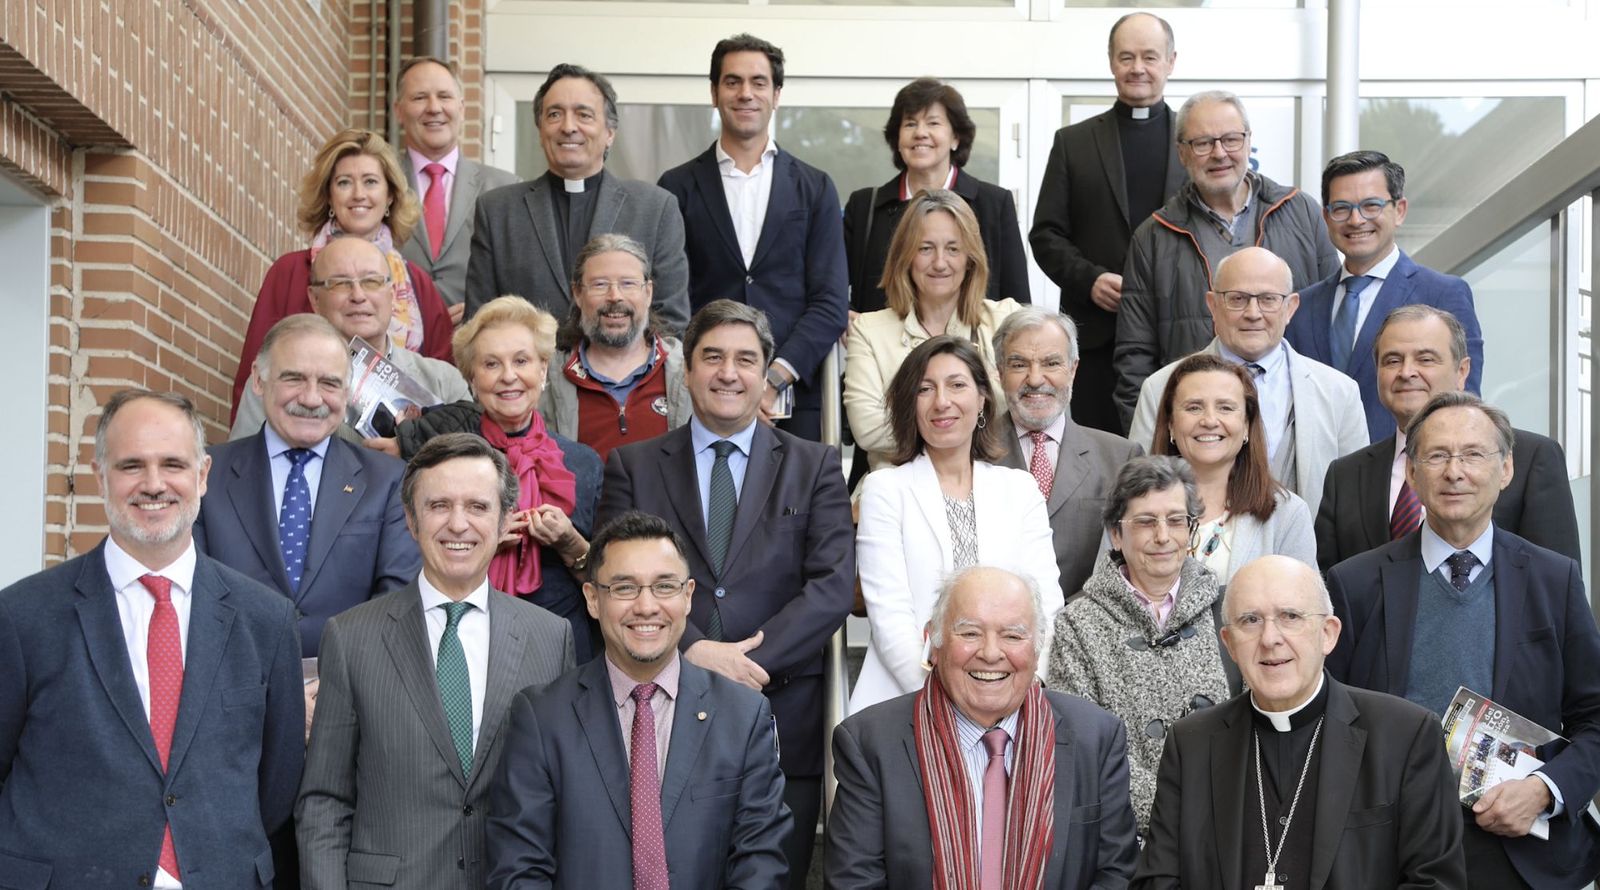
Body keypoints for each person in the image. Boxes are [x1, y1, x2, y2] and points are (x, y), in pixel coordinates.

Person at [0, 389, 304, 888]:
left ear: (203, 475)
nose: (154, 484)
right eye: (131, 466)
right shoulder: (23, 616)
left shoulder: (266, 621)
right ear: (100, 477)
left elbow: (276, 786)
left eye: (172, 464)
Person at [596, 299, 855, 884]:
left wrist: (741, 662)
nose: (728, 373)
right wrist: (689, 649)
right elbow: (610, 575)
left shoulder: (815, 465)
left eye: (745, 359)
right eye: (712, 357)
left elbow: (833, 587)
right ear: (685, 371)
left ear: (766, 374)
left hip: (782, 711)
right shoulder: (632, 467)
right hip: (657, 708)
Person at [1326, 391, 1600, 889]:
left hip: (1519, 849)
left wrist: (1544, 789)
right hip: (1393, 850)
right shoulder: (1356, 584)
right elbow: (1329, 720)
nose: (1455, 471)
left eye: (1474, 454)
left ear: (1506, 470)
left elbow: (1595, 717)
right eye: (1437, 455)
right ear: (1411, 473)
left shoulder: (1552, 580)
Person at [296, 433, 576, 890]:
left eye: (478, 507)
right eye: (439, 505)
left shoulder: (550, 638)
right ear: (411, 519)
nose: (458, 524)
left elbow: (565, 798)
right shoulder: (350, 638)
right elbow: (325, 801)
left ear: (507, 518)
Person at [485, 511, 792, 888]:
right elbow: (519, 869)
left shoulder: (743, 717)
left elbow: (760, 863)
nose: (646, 606)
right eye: (624, 588)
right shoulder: (542, 718)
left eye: (664, 586)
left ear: (688, 596)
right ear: (593, 599)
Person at [1133, 556, 1467, 889]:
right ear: (1229, 644)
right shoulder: (1191, 743)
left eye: (1290, 616)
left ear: (1328, 634)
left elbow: (1435, 882)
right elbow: (1157, 882)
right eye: (1250, 620)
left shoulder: (1406, 735)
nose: (1270, 638)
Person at [827, 566, 1139, 889]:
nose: (991, 653)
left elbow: (1117, 875)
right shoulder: (870, 744)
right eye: (970, 633)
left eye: (1013, 636)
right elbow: (854, 883)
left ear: (1036, 648)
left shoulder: (1096, 737)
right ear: (933, 642)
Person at [379, 297, 604, 661]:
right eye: (490, 364)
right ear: (471, 378)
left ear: (543, 370)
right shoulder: (440, 459)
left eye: (521, 360)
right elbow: (404, 556)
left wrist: (569, 542)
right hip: (458, 639)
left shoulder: (583, 463)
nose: (508, 376)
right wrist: (480, 539)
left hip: (561, 649)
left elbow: (607, 583)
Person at [850, 335, 1062, 715]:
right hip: (907, 703)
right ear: (909, 405)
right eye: (925, 389)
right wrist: (950, 702)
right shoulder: (885, 490)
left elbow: (1045, 602)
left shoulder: (1019, 488)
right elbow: (890, 618)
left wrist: (1021, 688)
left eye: (957, 385)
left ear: (982, 399)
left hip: (1014, 704)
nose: (941, 402)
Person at [657, 33, 849, 442]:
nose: (746, 93)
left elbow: (830, 302)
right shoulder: (675, 187)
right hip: (704, 398)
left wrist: (773, 379)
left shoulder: (814, 187)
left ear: (776, 94)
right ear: (714, 93)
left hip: (793, 398)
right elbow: (672, 301)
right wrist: (713, 376)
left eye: (758, 82)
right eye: (733, 82)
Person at [197, 314, 419, 658]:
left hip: (345, 695)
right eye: (294, 378)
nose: (312, 398)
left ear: (347, 393)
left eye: (329, 384)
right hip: (230, 691)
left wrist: (335, 682)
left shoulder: (389, 480)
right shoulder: (206, 474)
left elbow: (395, 603)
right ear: (259, 379)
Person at [1115, 91, 1339, 430]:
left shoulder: (1301, 212)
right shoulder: (1153, 237)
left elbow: (1331, 322)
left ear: (1249, 142)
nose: (1219, 153)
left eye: (1231, 139)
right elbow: (1135, 359)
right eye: (1203, 143)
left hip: (1296, 422)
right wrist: (1156, 446)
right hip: (1198, 433)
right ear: (1182, 153)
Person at [1048, 455, 1233, 835]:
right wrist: (1174, 814)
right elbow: (1084, 749)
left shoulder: (1230, 609)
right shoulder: (1077, 625)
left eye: (1176, 520)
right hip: (1128, 843)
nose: (1163, 536)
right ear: (1116, 534)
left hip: (1228, 833)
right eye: (1146, 522)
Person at [1315, 305, 1580, 570]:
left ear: (1462, 371)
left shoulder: (1531, 458)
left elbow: (1555, 587)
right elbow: (1327, 592)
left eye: (1426, 359)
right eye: (1393, 360)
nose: (1406, 372)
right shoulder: (1346, 474)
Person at [1030, 12, 1186, 434]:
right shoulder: (1074, 143)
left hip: (1174, 336)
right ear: (1111, 62)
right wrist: (1090, 279)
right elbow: (1046, 234)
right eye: (1127, 56)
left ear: (1171, 61)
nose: (1138, 67)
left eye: (1150, 57)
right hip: (1095, 341)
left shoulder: (1194, 143)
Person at [232, 128, 455, 422]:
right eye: (344, 183)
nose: (358, 194)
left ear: (390, 196)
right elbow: (256, 374)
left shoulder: (418, 285)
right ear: (328, 196)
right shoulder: (290, 274)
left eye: (371, 182)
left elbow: (440, 391)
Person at [1129, 247, 1367, 513]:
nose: (1253, 313)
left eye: (1268, 299)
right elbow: (1140, 495)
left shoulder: (1340, 392)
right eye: (1238, 298)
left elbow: (1355, 501)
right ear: (1212, 305)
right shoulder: (1160, 387)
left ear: (1290, 308)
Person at [466, 63, 690, 334]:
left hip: (627, 375)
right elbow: (480, 324)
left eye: (583, 115)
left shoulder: (655, 208)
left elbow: (670, 322)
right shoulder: (498, 211)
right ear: (540, 130)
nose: (568, 127)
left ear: (609, 133)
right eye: (554, 114)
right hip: (530, 375)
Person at [1287, 151, 1485, 442]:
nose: (1356, 220)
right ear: (1326, 217)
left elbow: (1465, 401)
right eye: (1341, 208)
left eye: (1371, 206)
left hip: (1405, 476)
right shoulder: (1301, 307)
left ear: (1400, 210)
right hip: (1317, 479)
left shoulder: (1443, 293)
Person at [845, 190, 1022, 475]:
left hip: (987, 488)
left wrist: (920, 420)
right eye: (925, 248)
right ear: (906, 256)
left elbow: (1023, 409)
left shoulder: (1005, 320)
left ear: (970, 258)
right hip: (897, 490)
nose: (940, 263)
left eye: (953, 249)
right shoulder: (869, 331)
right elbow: (867, 429)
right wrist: (965, 420)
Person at [230, 235, 471, 441]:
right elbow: (244, 466)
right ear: (314, 299)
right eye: (340, 284)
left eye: (371, 282)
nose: (358, 295)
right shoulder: (277, 376)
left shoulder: (443, 382)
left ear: (391, 293)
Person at [844, 77, 1030, 313]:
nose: (920, 133)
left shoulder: (993, 203)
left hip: (971, 346)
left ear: (955, 138)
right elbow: (830, 285)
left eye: (933, 123)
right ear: (897, 139)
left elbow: (1018, 301)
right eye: (910, 124)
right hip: (884, 347)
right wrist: (843, 314)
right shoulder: (864, 207)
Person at [992, 307, 1141, 596]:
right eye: (1019, 364)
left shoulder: (1121, 458)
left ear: (1073, 369)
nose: (1035, 379)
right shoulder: (972, 454)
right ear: (1000, 372)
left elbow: (1130, 565)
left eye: (1051, 363)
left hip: (1092, 627)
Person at [543, 233, 692, 462]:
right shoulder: (546, 378)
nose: (615, 296)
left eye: (628, 284)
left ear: (648, 292)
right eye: (600, 285)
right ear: (578, 294)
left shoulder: (689, 372)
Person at [393, 56, 521, 319]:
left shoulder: (505, 188)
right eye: (419, 98)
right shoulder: (379, 181)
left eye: (444, 96)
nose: (434, 108)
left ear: (462, 108)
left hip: (475, 347)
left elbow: (520, 275)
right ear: (398, 111)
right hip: (393, 345)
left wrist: (483, 310)